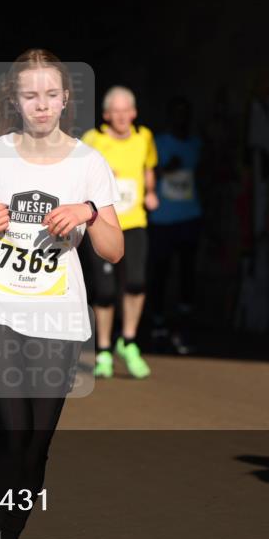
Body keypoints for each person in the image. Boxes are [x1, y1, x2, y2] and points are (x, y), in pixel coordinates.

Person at [0, 49, 123, 539]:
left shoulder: (89, 163)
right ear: (16, 100)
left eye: (50, 94)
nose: (41, 104)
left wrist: (87, 211)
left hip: (58, 316)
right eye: (30, 95)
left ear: (66, 98)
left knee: (36, 445)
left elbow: (114, 250)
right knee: (11, 429)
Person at [80, 87, 158, 378]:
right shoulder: (93, 140)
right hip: (102, 224)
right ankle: (103, 350)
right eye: (116, 111)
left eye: (127, 111)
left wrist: (151, 191)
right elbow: (76, 172)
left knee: (136, 281)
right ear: (106, 115)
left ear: (134, 113)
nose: (122, 117)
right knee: (105, 290)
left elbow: (148, 167)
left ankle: (128, 340)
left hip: (134, 221)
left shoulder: (144, 138)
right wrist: (100, 176)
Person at [149, 97, 203, 355]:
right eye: (177, 113)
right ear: (169, 117)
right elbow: (145, 175)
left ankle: (183, 327)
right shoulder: (158, 143)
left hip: (189, 217)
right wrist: (164, 169)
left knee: (187, 273)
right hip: (163, 219)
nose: (181, 118)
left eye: (185, 113)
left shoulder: (195, 145)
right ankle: (158, 324)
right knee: (160, 271)